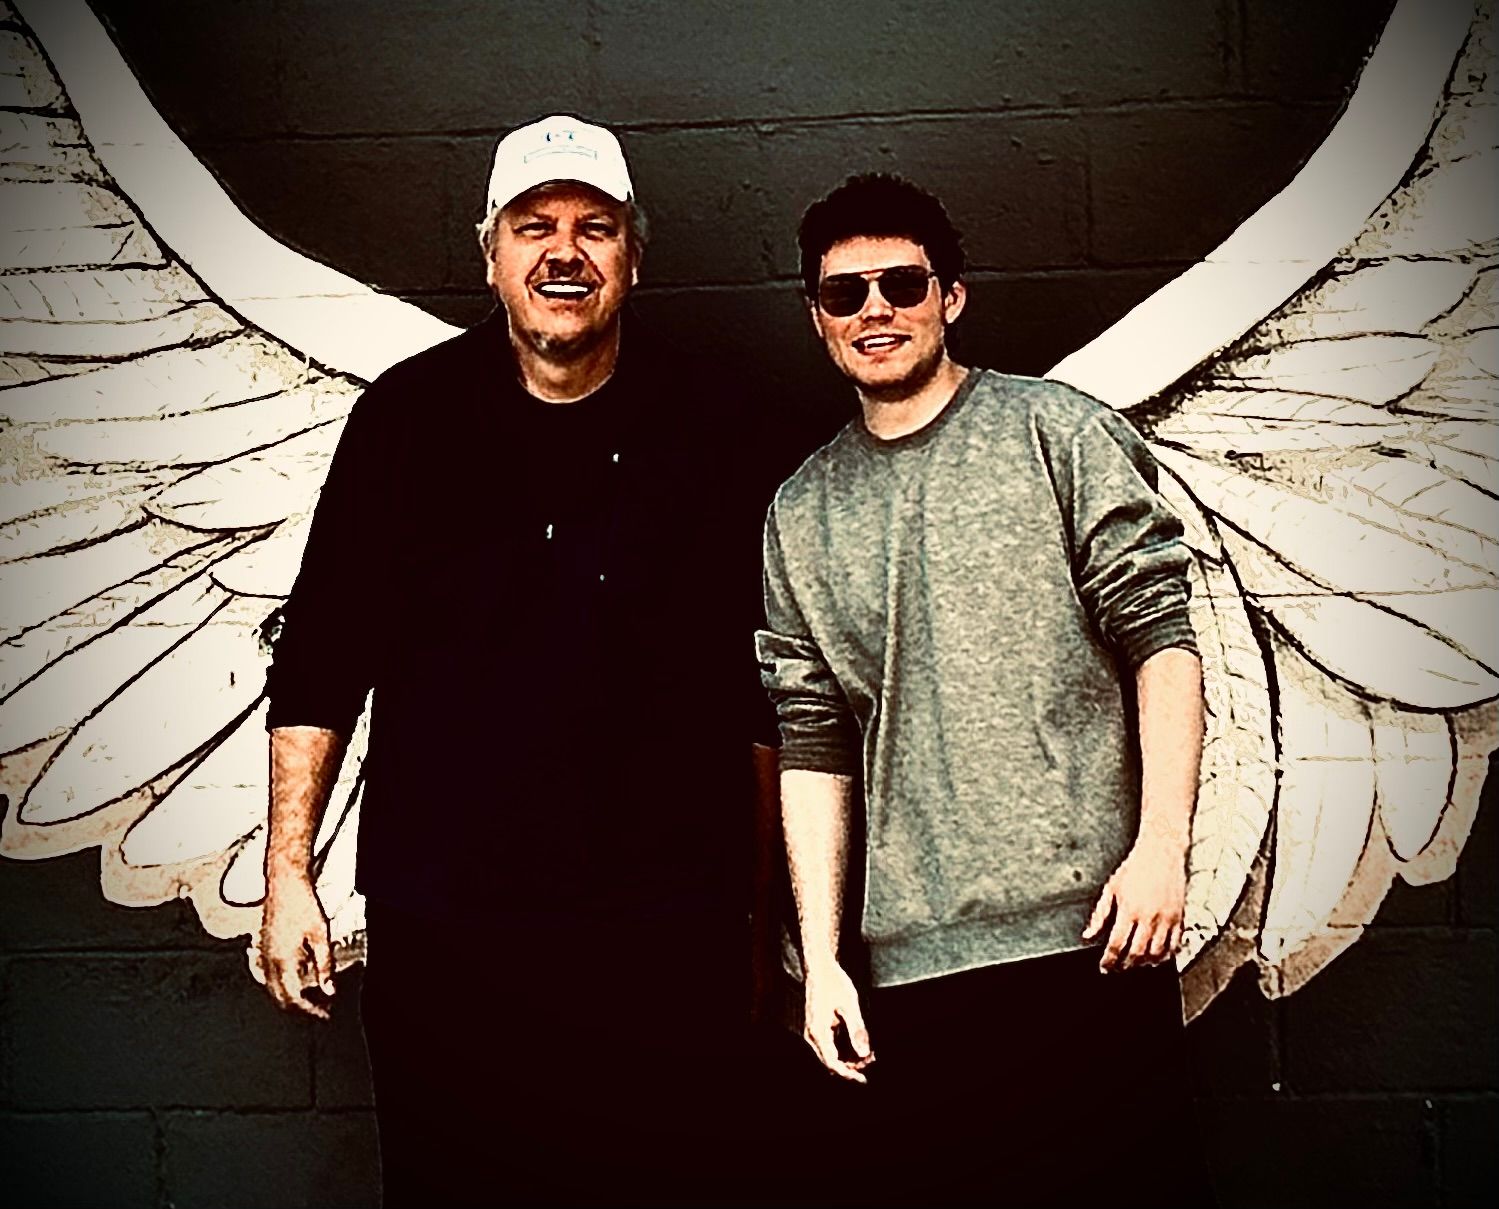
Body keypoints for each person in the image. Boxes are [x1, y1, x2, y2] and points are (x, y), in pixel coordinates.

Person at [257, 114, 777, 1207]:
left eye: (595, 228)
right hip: (449, 930)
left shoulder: (720, 422)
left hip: (664, 927)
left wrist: (773, 918)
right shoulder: (403, 420)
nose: (563, 253)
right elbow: (320, 657)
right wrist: (286, 876)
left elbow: (768, 694)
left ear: (634, 256)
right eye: (533, 227)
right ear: (488, 253)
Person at [756, 173, 1209, 1207]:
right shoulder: (799, 512)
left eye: (902, 283)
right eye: (844, 293)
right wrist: (822, 961)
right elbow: (811, 741)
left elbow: (1161, 640)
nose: (874, 310)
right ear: (817, 317)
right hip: (911, 977)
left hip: (1093, 943)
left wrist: (1161, 849)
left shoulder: (1058, 434)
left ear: (949, 297)